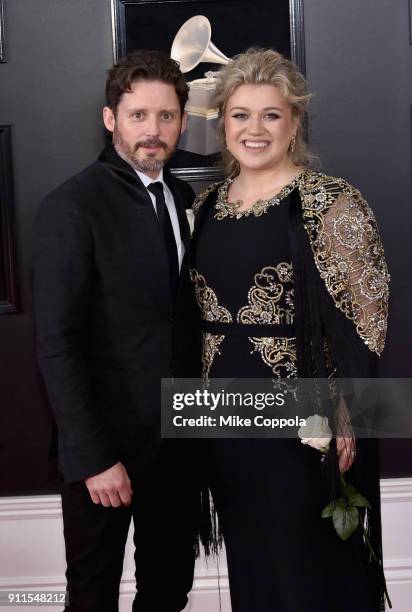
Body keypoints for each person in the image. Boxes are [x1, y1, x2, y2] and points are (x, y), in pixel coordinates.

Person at [190, 49, 390, 611]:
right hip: (222, 419)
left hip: (303, 422)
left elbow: (367, 320)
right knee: (253, 565)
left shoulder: (331, 202)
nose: (254, 130)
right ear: (222, 123)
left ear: (295, 123)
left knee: (308, 566)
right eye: (240, 115)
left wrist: (347, 411)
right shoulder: (206, 206)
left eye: (271, 115)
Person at [33, 50, 201, 612]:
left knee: (169, 585)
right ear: (111, 119)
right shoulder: (72, 207)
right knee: (93, 591)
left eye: (167, 116)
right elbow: (56, 345)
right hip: (104, 450)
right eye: (138, 115)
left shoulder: (183, 198)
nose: (153, 131)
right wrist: (92, 456)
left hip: (177, 445)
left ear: (182, 121)